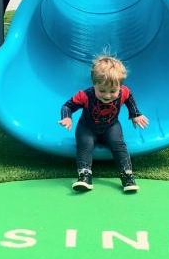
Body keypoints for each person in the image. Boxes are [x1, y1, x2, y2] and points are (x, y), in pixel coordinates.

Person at [59, 54, 149, 193]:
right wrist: (67, 117)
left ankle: (127, 176)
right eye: (102, 90)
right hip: (87, 127)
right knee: (85, 145)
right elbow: (68, 106)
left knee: (118, 144)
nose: (107, 95)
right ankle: (84, 176)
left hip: (110, 126)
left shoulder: (124, 92)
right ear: (94, 83)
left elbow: (129, 99)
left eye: (113, 91)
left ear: (120, 86)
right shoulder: (85, 95)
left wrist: (135, 114)